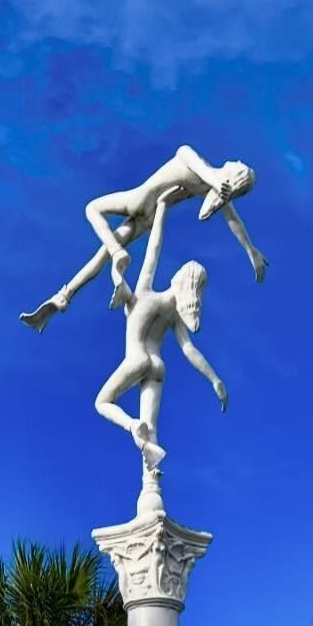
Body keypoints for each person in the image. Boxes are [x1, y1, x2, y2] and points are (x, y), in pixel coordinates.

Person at [20, 146, 266, 332]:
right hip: (151, 217)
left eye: (238, 164)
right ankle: (63, 296)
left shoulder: (194, 159)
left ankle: (117, 254)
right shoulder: (209, 187)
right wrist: (251, 251)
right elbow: (234, 222)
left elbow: (195, 164)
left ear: (234, 171)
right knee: (100, 257)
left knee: (92, 209)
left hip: (139, 200)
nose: (236, 159)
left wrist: (250, 248)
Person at [93, 188, 227, 470]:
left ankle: (132, 426)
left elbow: (154, 248)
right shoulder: (174, 317)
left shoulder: (144, 293)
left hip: (137, 359)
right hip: (158, 367)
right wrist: (215, 380)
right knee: (152, 432)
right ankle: (151, 477)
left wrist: (162, 207)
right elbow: (189, 349)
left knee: (103, 402)